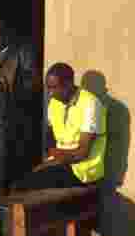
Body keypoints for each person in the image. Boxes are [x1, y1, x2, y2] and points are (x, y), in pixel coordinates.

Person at [13, 62, 107, 192]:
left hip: (84, 170)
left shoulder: (91, 104)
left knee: (31, 185)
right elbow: (50, 139)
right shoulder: (54, 104)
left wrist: (55, 157)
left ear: (68, 84)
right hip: (62, 163)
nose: (50, 93)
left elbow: (82, 153)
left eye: (54, 88)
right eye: (48, 88)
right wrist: (50, 159)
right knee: (21, 181)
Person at [0, 15, 41, 196]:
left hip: (12, 117)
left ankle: (6, 200)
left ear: (4, 34)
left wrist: (11, 86)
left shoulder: (22, 51)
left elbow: (33, 84)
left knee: (7, 165)